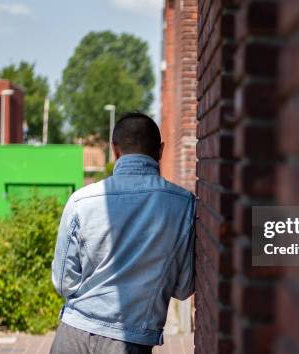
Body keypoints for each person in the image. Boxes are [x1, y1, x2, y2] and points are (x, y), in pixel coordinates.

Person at [50, 112, 195, 354]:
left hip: (72, 334)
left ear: (115, 150)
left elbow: (64, 282)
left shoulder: (81, 201)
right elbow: (183, 288)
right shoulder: (184, 205)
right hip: (129, 341)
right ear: (160, 151)